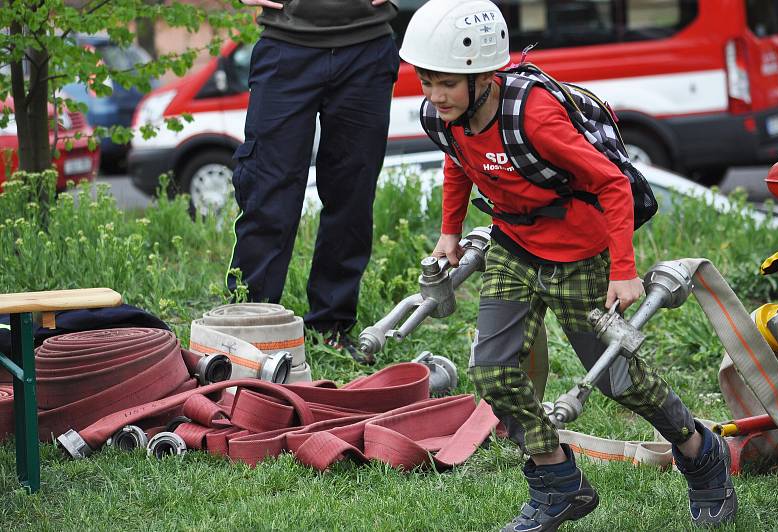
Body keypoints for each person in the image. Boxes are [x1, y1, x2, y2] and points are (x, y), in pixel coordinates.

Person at [399, 1, 737, 530]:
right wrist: (449, 231)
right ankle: (559, 484)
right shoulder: (444, 115)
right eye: (426, 80)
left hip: (579, 254)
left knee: (618, 381)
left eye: (445, 83)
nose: (434, 94)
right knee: (492, 373)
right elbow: (459, 157)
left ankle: (700, 451)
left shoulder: (533, 114)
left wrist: (623, 268)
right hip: (514, 246)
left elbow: (612, 183)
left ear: (484, 75)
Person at [229, 0, 400, 364]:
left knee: (352, 196)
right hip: (286, 48)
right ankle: (247, 328)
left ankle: (331, 328)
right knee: (268, 191)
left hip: (367, 49)